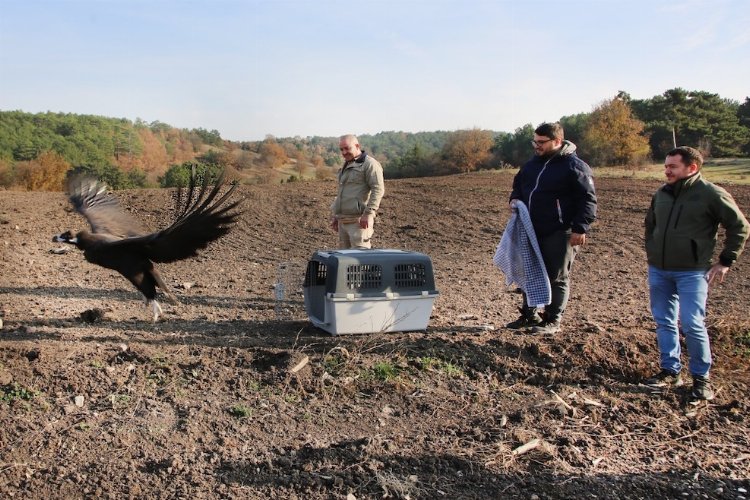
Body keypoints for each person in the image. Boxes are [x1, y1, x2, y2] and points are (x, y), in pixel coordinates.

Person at [644, 146, 749, 400]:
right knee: (664, 321)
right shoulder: (662, 194)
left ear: (692, 168)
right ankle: (670, 370)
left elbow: (740, 227)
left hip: (692, 272)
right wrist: (653, 252)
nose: (666, 170)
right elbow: (651, 225)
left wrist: (725, 261)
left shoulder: (711, 194)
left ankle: (701, 378)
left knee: (692, 323)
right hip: (660, 270)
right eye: (666, 166)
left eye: (672, 167)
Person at [507, 122, 597, 333]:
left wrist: (580, 228)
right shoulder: (532, 164)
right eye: (535, 141)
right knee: (530, 271)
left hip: (560, 230)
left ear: (557, 141)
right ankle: (530, 316)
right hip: (532, 229)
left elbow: (588, 200)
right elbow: (519, 184)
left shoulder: (574, 166)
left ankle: (552, 320)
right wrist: (515, 198)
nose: (536, 146)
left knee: (557, 276)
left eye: (541, 142)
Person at [330, 135, 385, 249]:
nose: (344, 152)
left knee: (360, 261)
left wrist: (368, 213)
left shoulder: (370, 164)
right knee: (344, 261)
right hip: (343, 221)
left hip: (359, 222)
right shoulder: (346, 165)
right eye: (341, 149)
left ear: (357, 146)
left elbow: (378, 189)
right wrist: (336, 215)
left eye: (347, 148)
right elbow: (343, 192)